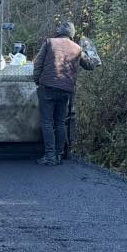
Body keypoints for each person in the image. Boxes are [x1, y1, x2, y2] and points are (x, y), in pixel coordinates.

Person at [31, 21, 96, 166]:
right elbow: (90, 65)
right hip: (66, 90)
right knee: (60, 123)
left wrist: (37, 81)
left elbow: (38, 64)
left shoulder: (49, 43)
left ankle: (49, 157)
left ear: (59, 31)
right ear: (72, 34)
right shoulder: (78, 49)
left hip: (47, 87)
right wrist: (90, 50)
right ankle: (58, 155)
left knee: (47, 122)